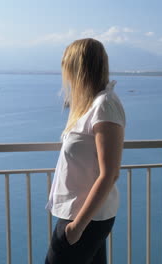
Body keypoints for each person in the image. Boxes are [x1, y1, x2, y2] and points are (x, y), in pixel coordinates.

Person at [45, 38, 126, 264]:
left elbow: (109, 173)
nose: (67, 77)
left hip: (84, 218)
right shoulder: (92, 105)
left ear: (79, 69)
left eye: (68, 69)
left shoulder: (104, 105)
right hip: (83, 215)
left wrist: (76, 228)